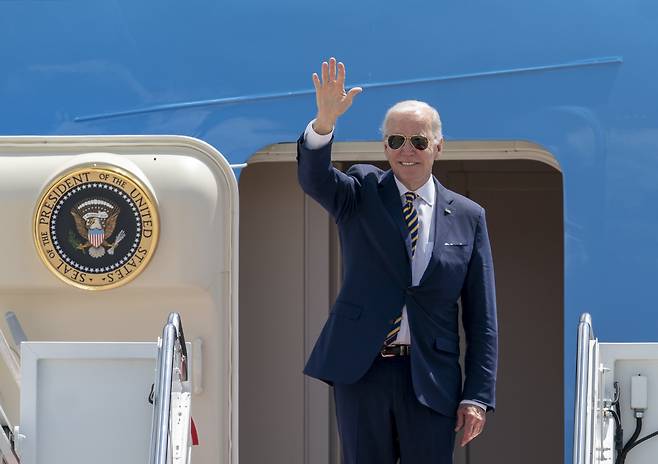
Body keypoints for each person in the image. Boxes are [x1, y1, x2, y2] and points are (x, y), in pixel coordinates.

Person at [297, 57, 498, 464]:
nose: (407, 151)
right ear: (384, 146)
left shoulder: (468, 216)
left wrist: (477, 395)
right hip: (363, 370)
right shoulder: (361, 191)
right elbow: (315, 179)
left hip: (431, 378)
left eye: (419, 142)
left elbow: (481, 318)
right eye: (396, 141)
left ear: (438, 146)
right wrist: (323, 122)